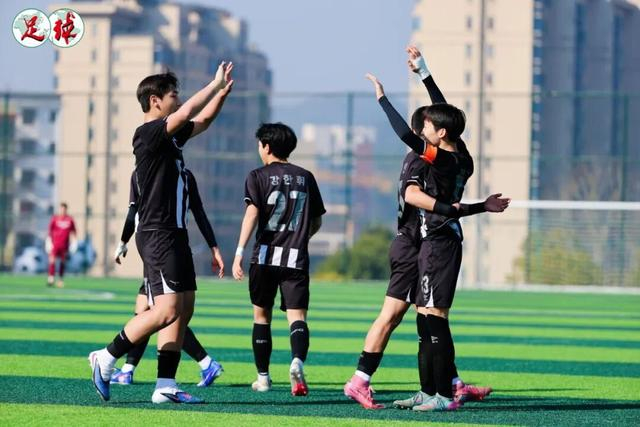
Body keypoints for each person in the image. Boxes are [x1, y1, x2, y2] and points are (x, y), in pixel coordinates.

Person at [344, 47, 507, 410]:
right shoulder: (462, 154)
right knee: (425, 319)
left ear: (440, 133)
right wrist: (424, 74)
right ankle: (435, 389)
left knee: (434, 319)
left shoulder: (437, 157)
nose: (424, 129)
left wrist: (383, 99)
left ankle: (444, 394)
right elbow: (444, 113)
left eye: (429, 127)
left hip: (437, 242)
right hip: (431, 240)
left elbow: (407, 134)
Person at [88, 61, 233, 404]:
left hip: (176, 234)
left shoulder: (169, 138)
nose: (177, 99)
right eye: (173, 95)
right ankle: (106, 357)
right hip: (157, 233)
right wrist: (212, 85)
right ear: (155, 100)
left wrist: (222, 94)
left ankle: (165, 385)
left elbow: (203, 121)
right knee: (165, 310)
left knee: (183, 309)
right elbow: (186, 113)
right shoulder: (149, 133)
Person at [232, 123, 325, 396]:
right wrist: (300, 237)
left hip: (264, 257)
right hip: (295, 259)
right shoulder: (306, 176)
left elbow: (252, 214)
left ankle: (263, 378)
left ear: (267, 146)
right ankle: (297, 362)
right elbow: (316, 221)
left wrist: (238, 252)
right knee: (298, 317)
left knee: (261, 316)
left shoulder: (256, 176)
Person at [110, 168, 224, 387]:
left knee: (161, 312)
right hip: (172, 248)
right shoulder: (186, 174)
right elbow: (199, 213)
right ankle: (129, 370)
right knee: (150, 309)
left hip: (157, 248)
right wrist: (214, 247)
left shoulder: (142, 173)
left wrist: (123, 242)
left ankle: (205, 362)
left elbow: (133, 212)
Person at [46, 202, 77, 288]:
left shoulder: (70, 220)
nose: (62, 210)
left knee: (63, 262)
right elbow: (50, 230)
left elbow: (74, 231)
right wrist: (48, 241)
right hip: (55, 244)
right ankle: (51, 278)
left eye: (64, 209)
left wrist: (74, 242)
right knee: (52, 260)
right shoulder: (55, 219)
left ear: (66, 209)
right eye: (61, 209)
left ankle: (60, 279)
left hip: (65, 245)